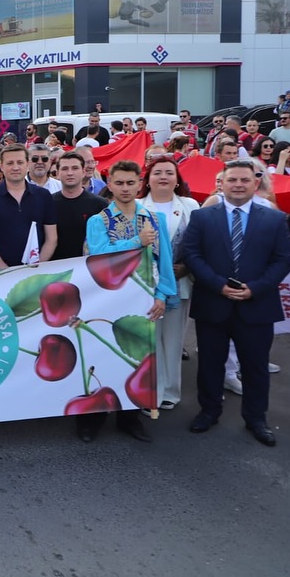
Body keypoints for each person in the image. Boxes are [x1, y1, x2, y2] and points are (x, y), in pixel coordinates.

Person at [181, 159, 290, 446]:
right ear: (222, 184)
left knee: (255, 367)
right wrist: (218, 285)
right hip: (213, 303)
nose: (239, 185)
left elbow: (282, 261)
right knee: (210, 364)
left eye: (245, 180)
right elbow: (192, 255)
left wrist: (255, 289)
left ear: (256, 183)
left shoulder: (275, 219)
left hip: (257, 305)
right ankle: (209, 411)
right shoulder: (202, 217)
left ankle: (256, 418)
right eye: (232, 180)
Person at [81, 160, 177, 443]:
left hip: (143, 299)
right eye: (119, 183)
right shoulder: (98, 221)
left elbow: (165, 261)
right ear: (109, 185)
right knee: (101, 355)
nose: (125, 188)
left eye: (130, 183)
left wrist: (162, 295)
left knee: (138, 358)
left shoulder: (154, 219)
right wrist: (136, 241)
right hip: (106, 299)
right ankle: (92, 418)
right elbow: (99, 257)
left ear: (139, 184)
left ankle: (130, 417)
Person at [137, 156, 199, 410]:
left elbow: (199, 243)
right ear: (147, 180)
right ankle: (150, 392)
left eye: (169, 173)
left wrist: (186, 267)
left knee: (173, 342)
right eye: (157, 172)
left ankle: (170, 392)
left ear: (177, 180)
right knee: (148, 342)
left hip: (179, 284)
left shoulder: (190, 206)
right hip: (143, 286)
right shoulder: (136, 206)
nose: (163, 177)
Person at [0, 145, 57, 268]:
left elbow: (52, 238)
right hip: (0, 272)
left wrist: (37, 266)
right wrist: (5, 270)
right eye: (10, 163)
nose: (15, 167)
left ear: (27, 164)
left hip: (36, 271)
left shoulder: (43, 195)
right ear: (2, 167)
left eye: (20, 162)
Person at [52, 152, 108, 260]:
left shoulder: (100, 204)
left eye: (75, 168)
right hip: (55, 266)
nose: (70, 173)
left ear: (83, 172)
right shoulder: (48, 203)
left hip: (89, 265)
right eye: (65, 169)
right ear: (57, 173)